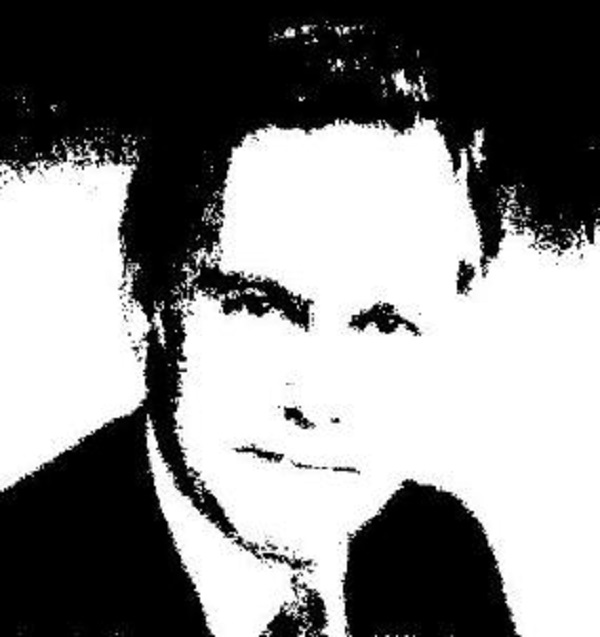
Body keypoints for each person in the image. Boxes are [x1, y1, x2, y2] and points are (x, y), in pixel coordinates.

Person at [3, 14, 597, 637]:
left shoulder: (437, 555)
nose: (318, 401)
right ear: (146, 302)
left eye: (384, 324)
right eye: (260, 307)